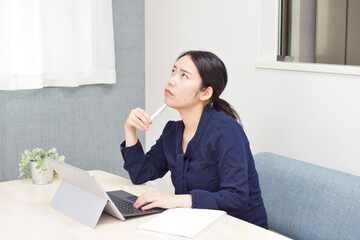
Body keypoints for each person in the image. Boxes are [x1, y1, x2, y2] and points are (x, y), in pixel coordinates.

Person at [120, 50, 268, 228]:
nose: (171, 80)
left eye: (184, 75)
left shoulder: (226, 131)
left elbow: (236, 197)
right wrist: (130, 130)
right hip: (197, 226)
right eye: (173, 71)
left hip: (239, 230)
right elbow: (141, 173)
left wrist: (175, 200)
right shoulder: (172, 132)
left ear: (205, 93)